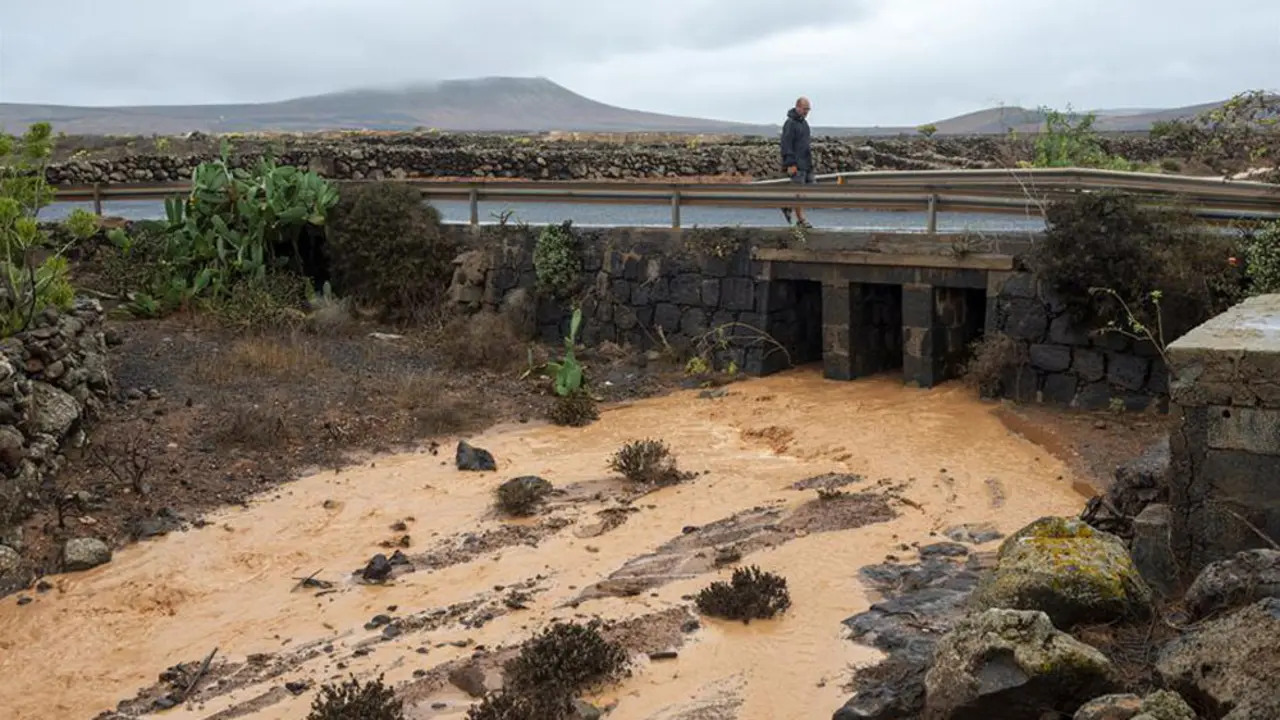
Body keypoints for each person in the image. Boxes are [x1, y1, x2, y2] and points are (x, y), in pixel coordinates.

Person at [780, 96, 814, 227]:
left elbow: (805, 144)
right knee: (798, 191)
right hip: (796, 164)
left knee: (808, 190)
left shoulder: (804, 124)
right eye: (805, 109)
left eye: (808, 109)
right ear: (798, 107)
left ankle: (787, 205)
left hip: (806, 163)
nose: (806, 112)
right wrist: (790, 163)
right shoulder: (790, 123)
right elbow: (786, 144)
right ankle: (801, 220)